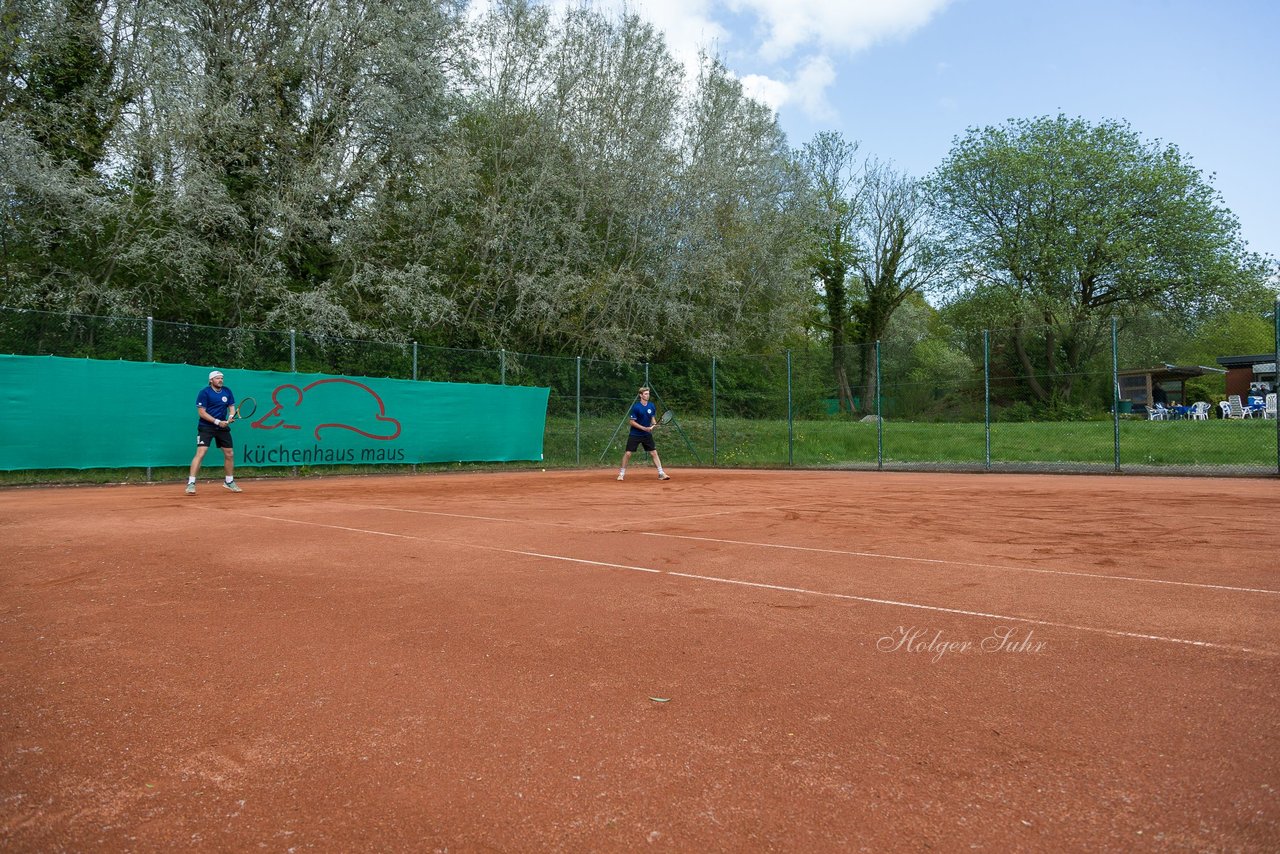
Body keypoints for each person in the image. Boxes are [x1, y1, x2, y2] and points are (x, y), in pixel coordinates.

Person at [187, 370, 243, 494]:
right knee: (201, 453)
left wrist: (230, 417)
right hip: (206, 427)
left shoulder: (227, 391)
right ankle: (191, 483)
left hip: (222, 427)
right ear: (211, 380)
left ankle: (229, 481)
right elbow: (201, 412)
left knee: (229, 453)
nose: (220, 380)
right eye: (217, 378)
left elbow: (231, 408)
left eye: (221, 378)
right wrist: (217, 422)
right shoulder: (204, 393)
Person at [617, 386, 670, 482]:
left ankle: (661, 473)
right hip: (635, 434)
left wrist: (654, 425)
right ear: (641, 395)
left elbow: (652, 419)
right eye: (645, 394)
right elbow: (631, 422)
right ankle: (621, 474)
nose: (648, 395)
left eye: (648, 393)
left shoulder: (651, 406)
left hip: (646, 435)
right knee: (628, 453)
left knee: (653, 452)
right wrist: (644, 428)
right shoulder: (636, 407)